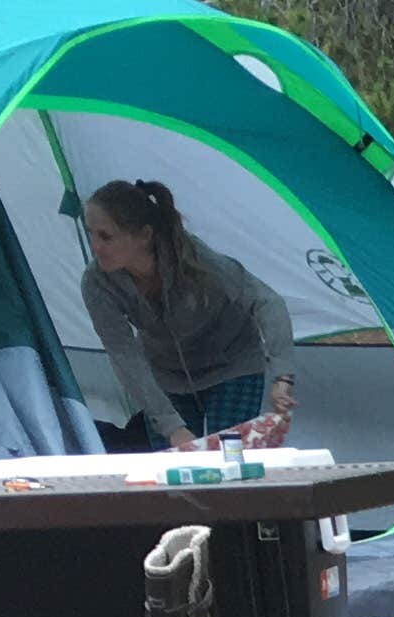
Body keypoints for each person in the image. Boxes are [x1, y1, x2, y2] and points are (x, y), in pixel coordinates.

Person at [79, 179, 300, 449]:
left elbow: (267, 302)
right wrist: (172, 426)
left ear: (144, 236)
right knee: (174, 468)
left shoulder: (193, 257)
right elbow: (124, 355)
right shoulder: (97, 283)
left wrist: (282, 376)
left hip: (232, 363)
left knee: (227, 459)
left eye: (106, 236)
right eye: (90, 233)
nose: (95, 246)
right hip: (166, 375)